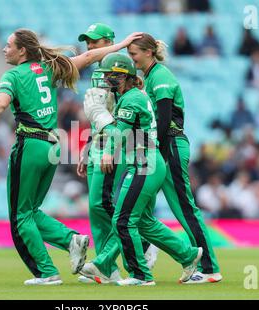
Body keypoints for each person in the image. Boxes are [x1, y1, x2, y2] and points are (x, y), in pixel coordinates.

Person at [0, 29, 142, 285]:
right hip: (53, 146)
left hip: (30, 144)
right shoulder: (49, 68)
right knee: (31, 210)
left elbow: (0, 104)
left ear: (22, 50)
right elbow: (88, 57)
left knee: (20, 215)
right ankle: (71, 240)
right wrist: (121, 44)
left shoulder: (13, 75)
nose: (4, 49)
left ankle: (46, 272)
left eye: (9, 45)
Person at [80, 53, 202, 286]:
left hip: (145, 162)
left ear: (125, 77)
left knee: (122, 220)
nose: (107, 80)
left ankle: (140, 274)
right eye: (106, 75)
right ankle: (187, 255)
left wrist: (100, 118)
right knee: (142, 221)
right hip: (144, 162)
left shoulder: (131, 99)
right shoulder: (131, 96)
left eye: (112, 76)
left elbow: (120, 134)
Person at [127, 33, 222, 283]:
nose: (131, 58)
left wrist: (155, 150)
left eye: (134, 53)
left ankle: (210, 268)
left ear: (148, 52)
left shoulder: (160, 77)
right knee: (141, 207)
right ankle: (150, 254)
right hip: (160, 147)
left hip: (170, 145)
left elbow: (165, 119)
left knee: (184, 207)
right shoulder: (149, 77)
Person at [76, 23, 158, 284]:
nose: (90, 47)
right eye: (87, 42)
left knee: (107, 205)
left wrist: (104, 137)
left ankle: (137, 249)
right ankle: (107, 268)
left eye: (95, 41)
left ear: (110, 41)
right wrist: (88, 145)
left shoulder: (122, 80)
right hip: (100, 146)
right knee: (96, 208)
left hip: (118, 149)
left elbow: (118, 124)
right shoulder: (103, 77)